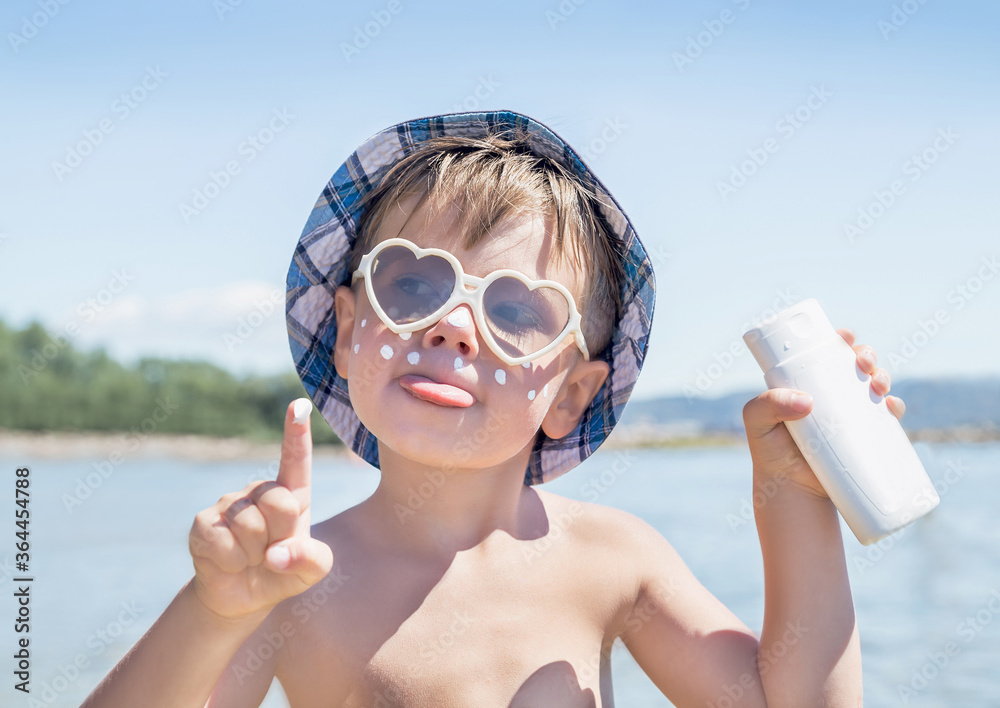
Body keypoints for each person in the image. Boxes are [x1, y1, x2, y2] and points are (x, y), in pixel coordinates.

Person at [82, 111, 905, 707]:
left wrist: (797, 499)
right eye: (411, 284)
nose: (451, 324)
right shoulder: (294, 584)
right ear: (344, 331)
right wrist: (213, 610)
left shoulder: (614, 559)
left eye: (514, 310)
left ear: (571, 394)